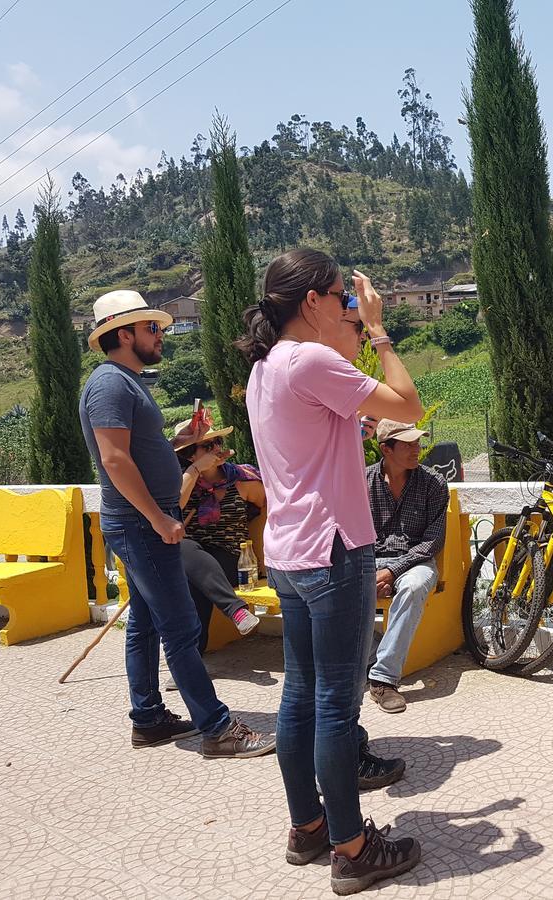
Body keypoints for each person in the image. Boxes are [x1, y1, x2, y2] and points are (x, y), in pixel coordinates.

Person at [239, 248, 424, 894]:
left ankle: (309, 828)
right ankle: (351, 848)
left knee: (299, 697)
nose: (348, 302)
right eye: (341, 295)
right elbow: (409, 405)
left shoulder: (267, 369)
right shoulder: (311, 361)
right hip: (336, 550)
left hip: (291, 556)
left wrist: (352, 331)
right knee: (335, 707)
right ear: (311, 301)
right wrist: (376, 328)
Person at [78, 289, 276, 759]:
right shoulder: (110, 384)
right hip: (141, 525)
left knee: (146, 623)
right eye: (152, 328)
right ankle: (218, 728)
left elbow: (139, 458)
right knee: (181, 627)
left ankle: (147, 719)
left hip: (142, 524)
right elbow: (113, 459)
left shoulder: (127, 382)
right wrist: (159, 518)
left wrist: (176, 444)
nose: (161, 334)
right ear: (122, 334)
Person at [364, 419, 449, 713]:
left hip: (415, 560)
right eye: (409, 444)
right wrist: (371, 571)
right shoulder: (361, 482)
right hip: (370, 560)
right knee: (340, 587)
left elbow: (432, 542)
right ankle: (371, 654)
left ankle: (382, 679)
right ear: (386, 449)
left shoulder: (433, 483)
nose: (417, 449)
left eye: (418, 442)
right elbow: (351, 536)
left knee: (414, 586)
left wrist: (392, 571)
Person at [170, 414, 265, 678]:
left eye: (218, 442)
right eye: (207, 446)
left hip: (233, 559)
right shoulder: (179, 482)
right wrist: (195, 472)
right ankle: (236, 611)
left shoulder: (242, 479)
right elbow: (173, 506)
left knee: (193, 577)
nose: (216, 449)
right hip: (192, 557)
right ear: (191, 455)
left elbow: (268, 508)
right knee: (185, 554)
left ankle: (187, 665)